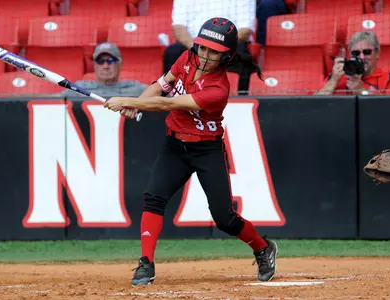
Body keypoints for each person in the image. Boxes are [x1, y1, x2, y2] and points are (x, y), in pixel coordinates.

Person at [103, 17, 278, 286]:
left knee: (224, 218)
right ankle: (146, 264)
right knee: (154, 198)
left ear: (226, 56)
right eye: (203, 48)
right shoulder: (186, 57)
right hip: (175, 145)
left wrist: (128, 101)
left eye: (214, 52)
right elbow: (162, 85)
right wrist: (138, 105)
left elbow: (168, 103)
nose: (206, 56)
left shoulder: (218, 89)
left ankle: (263, 247)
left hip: (206, 149)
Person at [164, 0, 256, 94]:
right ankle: (170, 98)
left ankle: (241, 97)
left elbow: (245, 30)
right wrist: (197, 48)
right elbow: (178, 27)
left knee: (240, 52)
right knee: (173, 51)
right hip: (194, 43)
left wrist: (217, 47)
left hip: (226, 44)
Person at [314, 31, 390, 95]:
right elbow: (313, 104)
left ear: (377, 53)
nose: (362, 57)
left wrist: (362, 91)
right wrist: (333, 81)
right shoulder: (338, 77)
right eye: (356, 53)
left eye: (367, 52)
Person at [61, 42, 147, 98]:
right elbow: (52, 101)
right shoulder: (80, 88)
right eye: (100, 61)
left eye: (111, 61)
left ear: (120, 64)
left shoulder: (135, 88)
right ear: (94, 65)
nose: (105, 66)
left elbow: (159, 94)